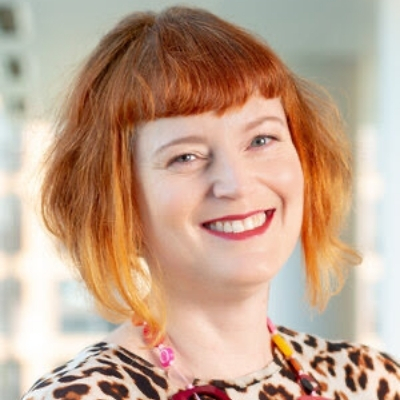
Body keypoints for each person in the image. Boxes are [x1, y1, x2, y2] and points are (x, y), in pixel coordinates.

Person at [22, 6, 399, 400]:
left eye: (261, 140)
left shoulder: (376, 382)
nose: (236, 184)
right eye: (185, 156)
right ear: (117, 202)